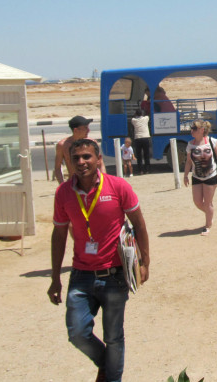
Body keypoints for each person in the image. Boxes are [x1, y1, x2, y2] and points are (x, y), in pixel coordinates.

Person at [47, 139, 150, 382]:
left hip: (115, 275)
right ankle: (107, 363)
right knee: (77, 333)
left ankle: (111, 377)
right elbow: (59, 234)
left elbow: (139, 224)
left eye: (87, 157)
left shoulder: (117, 186)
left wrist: (145, 263)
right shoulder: (64, 193)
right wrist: (55, 278)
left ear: (98, 159)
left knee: (114, 337)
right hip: (81, 275)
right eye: (76, 158)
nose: (81, 162)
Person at [182, 119, 217, 236]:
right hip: (196, 176)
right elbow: (188, 162)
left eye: (194, 128)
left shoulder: (212, 141)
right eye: (191, 128)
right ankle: (210, 214)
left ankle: (207, 225)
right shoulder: (190, 144)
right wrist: (185, 175)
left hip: (211, 175)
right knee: (197, 202)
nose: (191, 130)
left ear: (202, 130)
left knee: (208, 202)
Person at [55, 115, 106, 184]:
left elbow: (100, 164)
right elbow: (57, 168)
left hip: (92, 183)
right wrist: (62, 184)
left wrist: (103, 182)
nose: (88, 130)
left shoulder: (92, 143)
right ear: (76, 130)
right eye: (85, 128)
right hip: (73, 183)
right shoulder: (63, 145)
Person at [130, 109, 151, 175]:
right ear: (142, 113)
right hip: (145, 138)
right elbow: (147, 114)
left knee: (139, 156)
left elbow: (132, 117)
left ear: (136, 114)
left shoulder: (134, 120)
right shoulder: (146, 118)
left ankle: (140, 170)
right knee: (146, 155)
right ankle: (147, 170)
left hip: (138, 138)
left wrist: (135, 114)